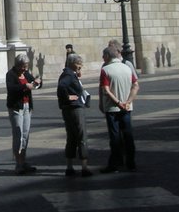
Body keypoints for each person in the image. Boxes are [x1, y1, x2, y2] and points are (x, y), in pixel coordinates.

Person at [98, 45, 139, 173]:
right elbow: (136, 85)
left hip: (112, 108)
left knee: (115, 137)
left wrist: (118, 102)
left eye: (103, 56)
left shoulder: (106, 70)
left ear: (107, 56)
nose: (102, 58)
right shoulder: (127, 67)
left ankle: (114, 164)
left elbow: (105, 89)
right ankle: (131, 163)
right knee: (128, 135)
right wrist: (128, 101)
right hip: (127, 107)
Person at [6, 54, 41, 175]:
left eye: (26, 66)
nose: (25, 69)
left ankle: (23, 161)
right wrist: (24, 86)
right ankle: (18, 163)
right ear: (17, 65)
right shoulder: (10, 74)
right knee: (18, 134)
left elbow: (35, 82)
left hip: (27, 107)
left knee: (25, 134)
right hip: (16, 108)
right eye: (23, 66)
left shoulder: (26, 74)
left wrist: (37, 82)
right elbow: (11, 88)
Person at [57, 52, 92, 177]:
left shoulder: (69, 74)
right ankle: (84, 166)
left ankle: (69, 166)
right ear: (72, 63)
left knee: (71, 137)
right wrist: (68, 97)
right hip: (75, 108)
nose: (80, 66)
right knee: (81, 136)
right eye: (79, 64)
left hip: (68, 108)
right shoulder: (68, 74)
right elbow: (61, 86)